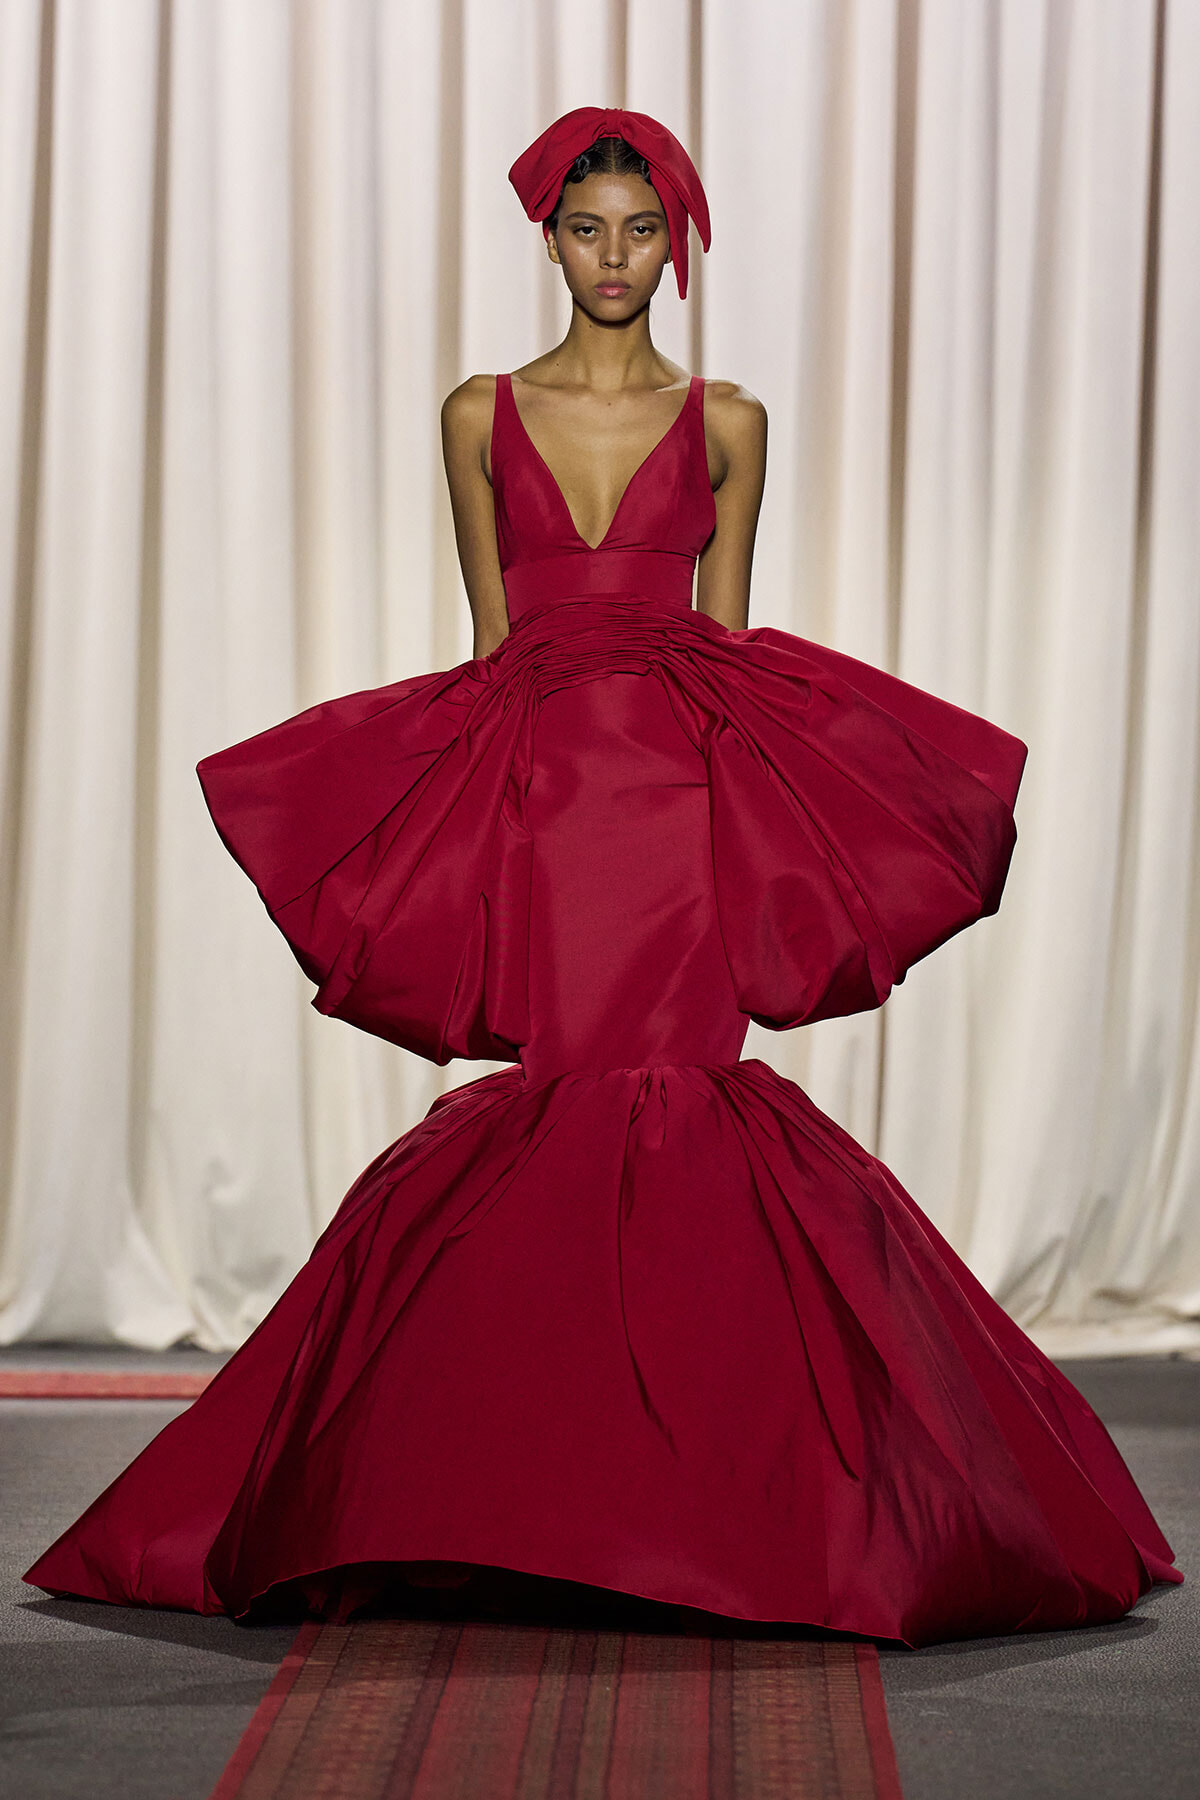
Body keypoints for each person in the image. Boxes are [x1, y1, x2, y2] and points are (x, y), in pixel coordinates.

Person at [24, 106, 1180, 1649]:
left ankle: (714, 1507)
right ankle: (514, 1497)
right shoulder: (476, 410)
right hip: (551, 798)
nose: (615, 256)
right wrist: (471, 836)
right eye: (588, 230)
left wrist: (771, 838)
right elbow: (492, 652)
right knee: (565, 1097)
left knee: (685, 1099)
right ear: (551, 242)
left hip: (680, 803)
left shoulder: (730, 420)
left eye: (641, 230)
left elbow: (732, 649)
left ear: (673, 243)